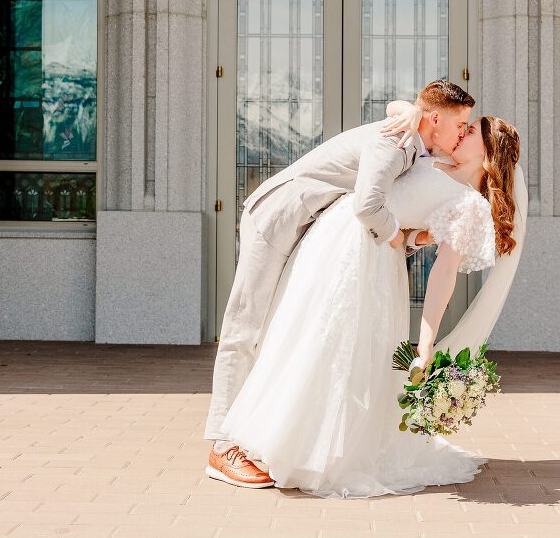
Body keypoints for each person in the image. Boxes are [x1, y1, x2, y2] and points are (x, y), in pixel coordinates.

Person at [210, 109, 526, 498]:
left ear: (489, 150)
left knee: (338, 352)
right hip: (331, 243)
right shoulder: (429, 154)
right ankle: (249, 439)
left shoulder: (469, 207)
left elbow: (442, 277)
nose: (460, 133)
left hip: (372, 265)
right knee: (300, 335)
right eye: (461, 125)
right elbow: (402, 119)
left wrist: (424, 346)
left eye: (470, 130)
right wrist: (413, 110)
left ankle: (301, 448)